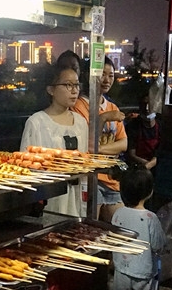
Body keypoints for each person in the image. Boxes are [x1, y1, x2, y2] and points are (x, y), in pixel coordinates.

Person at [108, 165, 166, 290]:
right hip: (143, 270)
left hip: (121, 266)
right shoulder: (150, 217)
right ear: (149, 192)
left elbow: (113, 238)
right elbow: (158, 244)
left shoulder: (118, 213)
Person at [20, 65, 88, 217]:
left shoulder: (81, 122)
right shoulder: (36, 122)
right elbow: (26, 166)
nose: (74, 90)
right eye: (68, 85)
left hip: (75, 195)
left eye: (77, 85)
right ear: (51, 90)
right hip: (50, 198)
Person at [72, 56, 127, 222]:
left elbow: (123, 144)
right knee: (90, 227)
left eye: (111, 75)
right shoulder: (79, 106)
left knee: (121, 225)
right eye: (102, 74)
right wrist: (104, 118)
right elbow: (86, 142)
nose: (107, 80)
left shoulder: (112, 107)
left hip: (111, 180)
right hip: (90, 178)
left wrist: (98, 150)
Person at [125, 95, 161, 171]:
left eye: (150, 105)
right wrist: (145, 166)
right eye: (144, 104)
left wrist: (150, 165)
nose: (147, 108)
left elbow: (160, 153)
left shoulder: (161, 127)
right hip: (137, 168)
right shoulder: (133, 126)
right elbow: (131, 154)